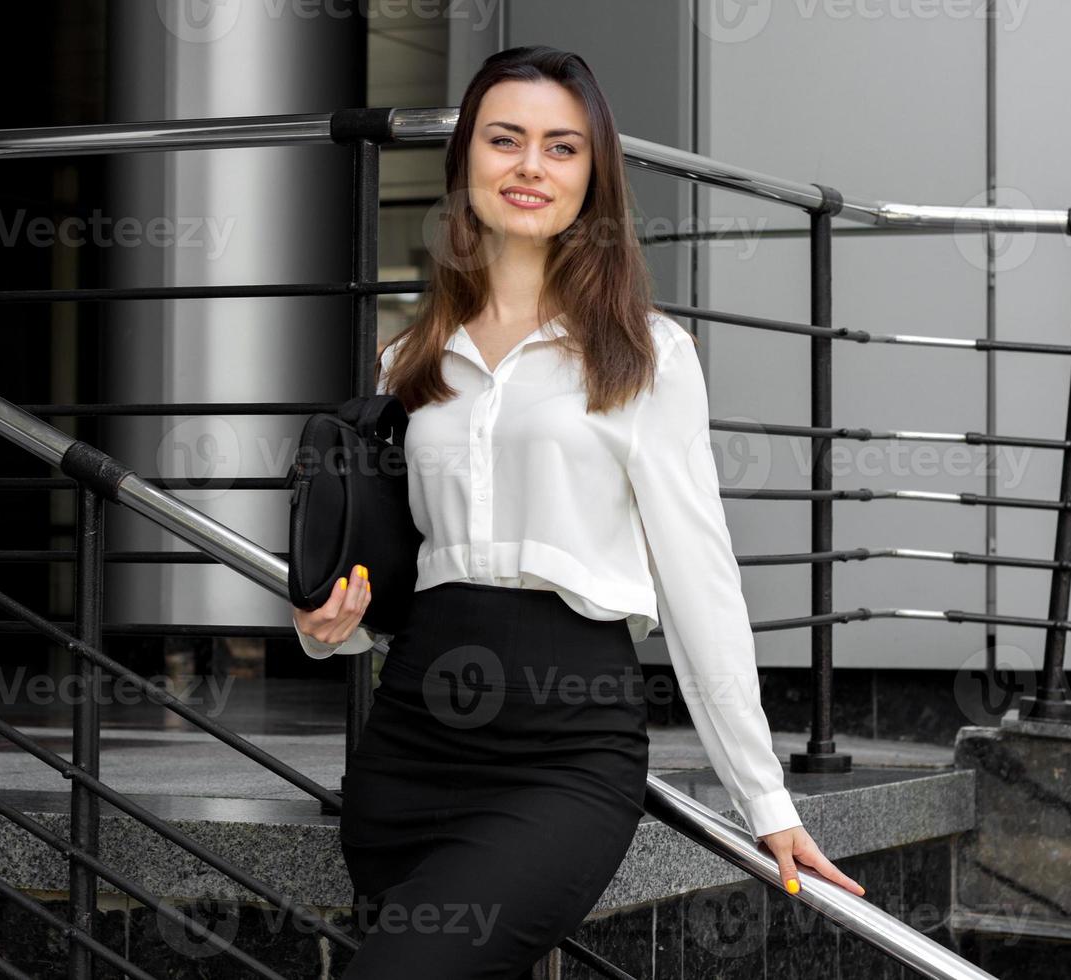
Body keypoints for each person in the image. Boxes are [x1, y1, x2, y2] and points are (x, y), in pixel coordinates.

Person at [292, 45, 864, 979]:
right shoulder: (409, 360)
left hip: (562, 751)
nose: (529, 166)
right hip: (410, 744)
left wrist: (767, 801)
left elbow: (698, 581)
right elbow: (402, 574)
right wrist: (328, 634)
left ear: (593, 176)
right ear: (465, 160)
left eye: (561, 148)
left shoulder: (646, 355)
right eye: (504, 139)